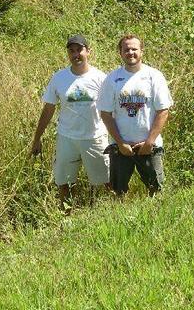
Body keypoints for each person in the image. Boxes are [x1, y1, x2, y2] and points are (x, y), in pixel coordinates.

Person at [31, 35, 110, 212]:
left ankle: (112, 214)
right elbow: (48, 109)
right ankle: (67, 218)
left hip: (95, 137)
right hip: (67, 138)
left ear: (88, 51)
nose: (76, 55)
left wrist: (118, 138)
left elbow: (110, 109)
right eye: (71, 51)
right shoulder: (59, 78)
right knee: (64, 183)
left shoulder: (101, 78)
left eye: (79, 50)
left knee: (106, 180)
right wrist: (37, 139)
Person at [97, 34, 173, 196]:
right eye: (126, 49)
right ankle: (118, 219)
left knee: (156, 189)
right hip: (121, 147)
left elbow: (163, 111)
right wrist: (121, 143)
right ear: (120, 53)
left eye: (134, 49)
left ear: (142, 51)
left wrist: (149, 142)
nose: (130, 52)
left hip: (149, 146)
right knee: (118, 191)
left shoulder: (154, 76)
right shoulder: (112, 79)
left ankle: (157, 218)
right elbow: (105, 113)